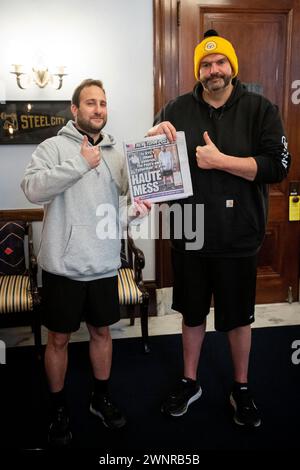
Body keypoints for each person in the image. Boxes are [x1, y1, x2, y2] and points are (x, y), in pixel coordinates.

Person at [147, 30, 290, 427]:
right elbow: (153, 165)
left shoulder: (262, 109)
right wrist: (150, 141)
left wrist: (222, 161)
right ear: (199, 70)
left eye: (220, 62)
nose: (214, 70)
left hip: (239, 236)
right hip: (188, 231)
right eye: (206, 64)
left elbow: (278, 167)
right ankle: (189, 380)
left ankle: (241, 387)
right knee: (192, 314)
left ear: (232, 67)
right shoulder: (174, 108)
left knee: (238, 317)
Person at [21, 78, 150, 446]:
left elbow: (120, 210)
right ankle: (59, 406)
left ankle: (101, 397)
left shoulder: (116, 154)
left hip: (104, 265)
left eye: (103, 103)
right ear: (74, 109)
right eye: (90, 103)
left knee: (102, 333)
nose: (98, 110)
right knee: (58, 339)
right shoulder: (51, 148)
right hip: (63, 267)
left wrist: (136, 211)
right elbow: (32, 189)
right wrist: (78, 164)